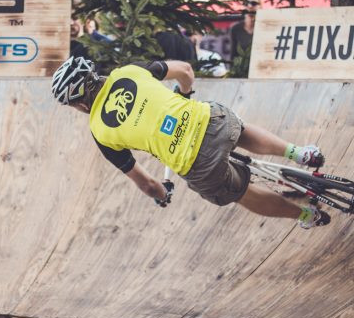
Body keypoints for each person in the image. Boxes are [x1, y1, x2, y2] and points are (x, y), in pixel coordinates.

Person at [51, 57, 330, 229]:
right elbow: (184, 69)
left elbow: (147, 183)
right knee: (238, 129)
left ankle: (305, 215)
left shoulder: (100, 131)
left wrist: (162, 194)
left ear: (78, 102)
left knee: (240, 192)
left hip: (197, 165)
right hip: (211, 121)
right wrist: (186, 94)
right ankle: (299, 152)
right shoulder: (129, 72)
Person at [230, 0, 261, 75]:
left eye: (253, 3)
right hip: (241, 71)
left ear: (260, 6)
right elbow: (233, 54)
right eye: (247, 3)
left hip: (260, 70)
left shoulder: (264, 27)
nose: (250, 6)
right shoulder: (236, 28)